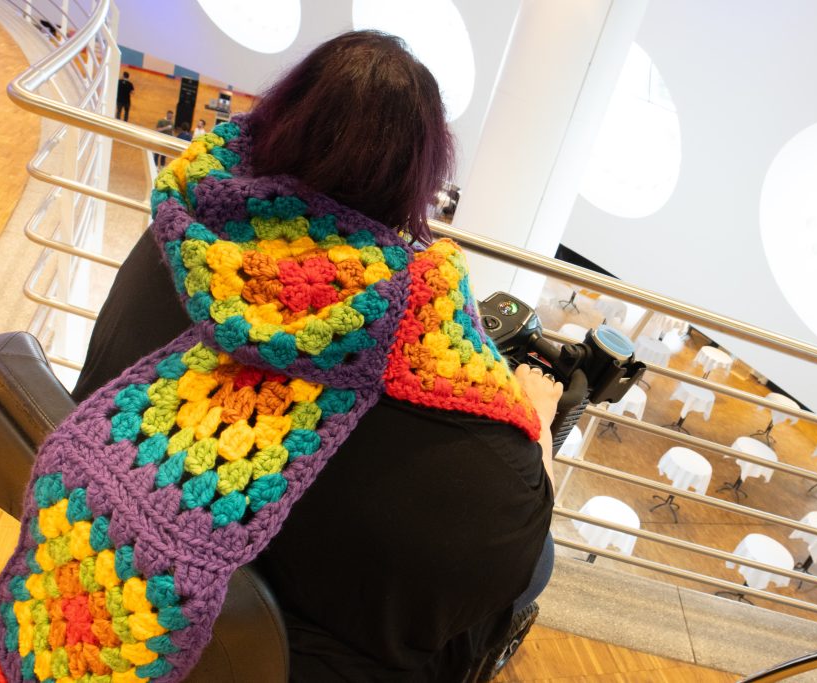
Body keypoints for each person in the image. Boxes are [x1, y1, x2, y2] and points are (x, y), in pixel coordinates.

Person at [62, 30, 557, 682]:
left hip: (124, 597)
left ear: (280, 120)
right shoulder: (479, 458)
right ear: (420, 181)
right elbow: (509, 564)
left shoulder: (181, 248)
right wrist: (539, 447)